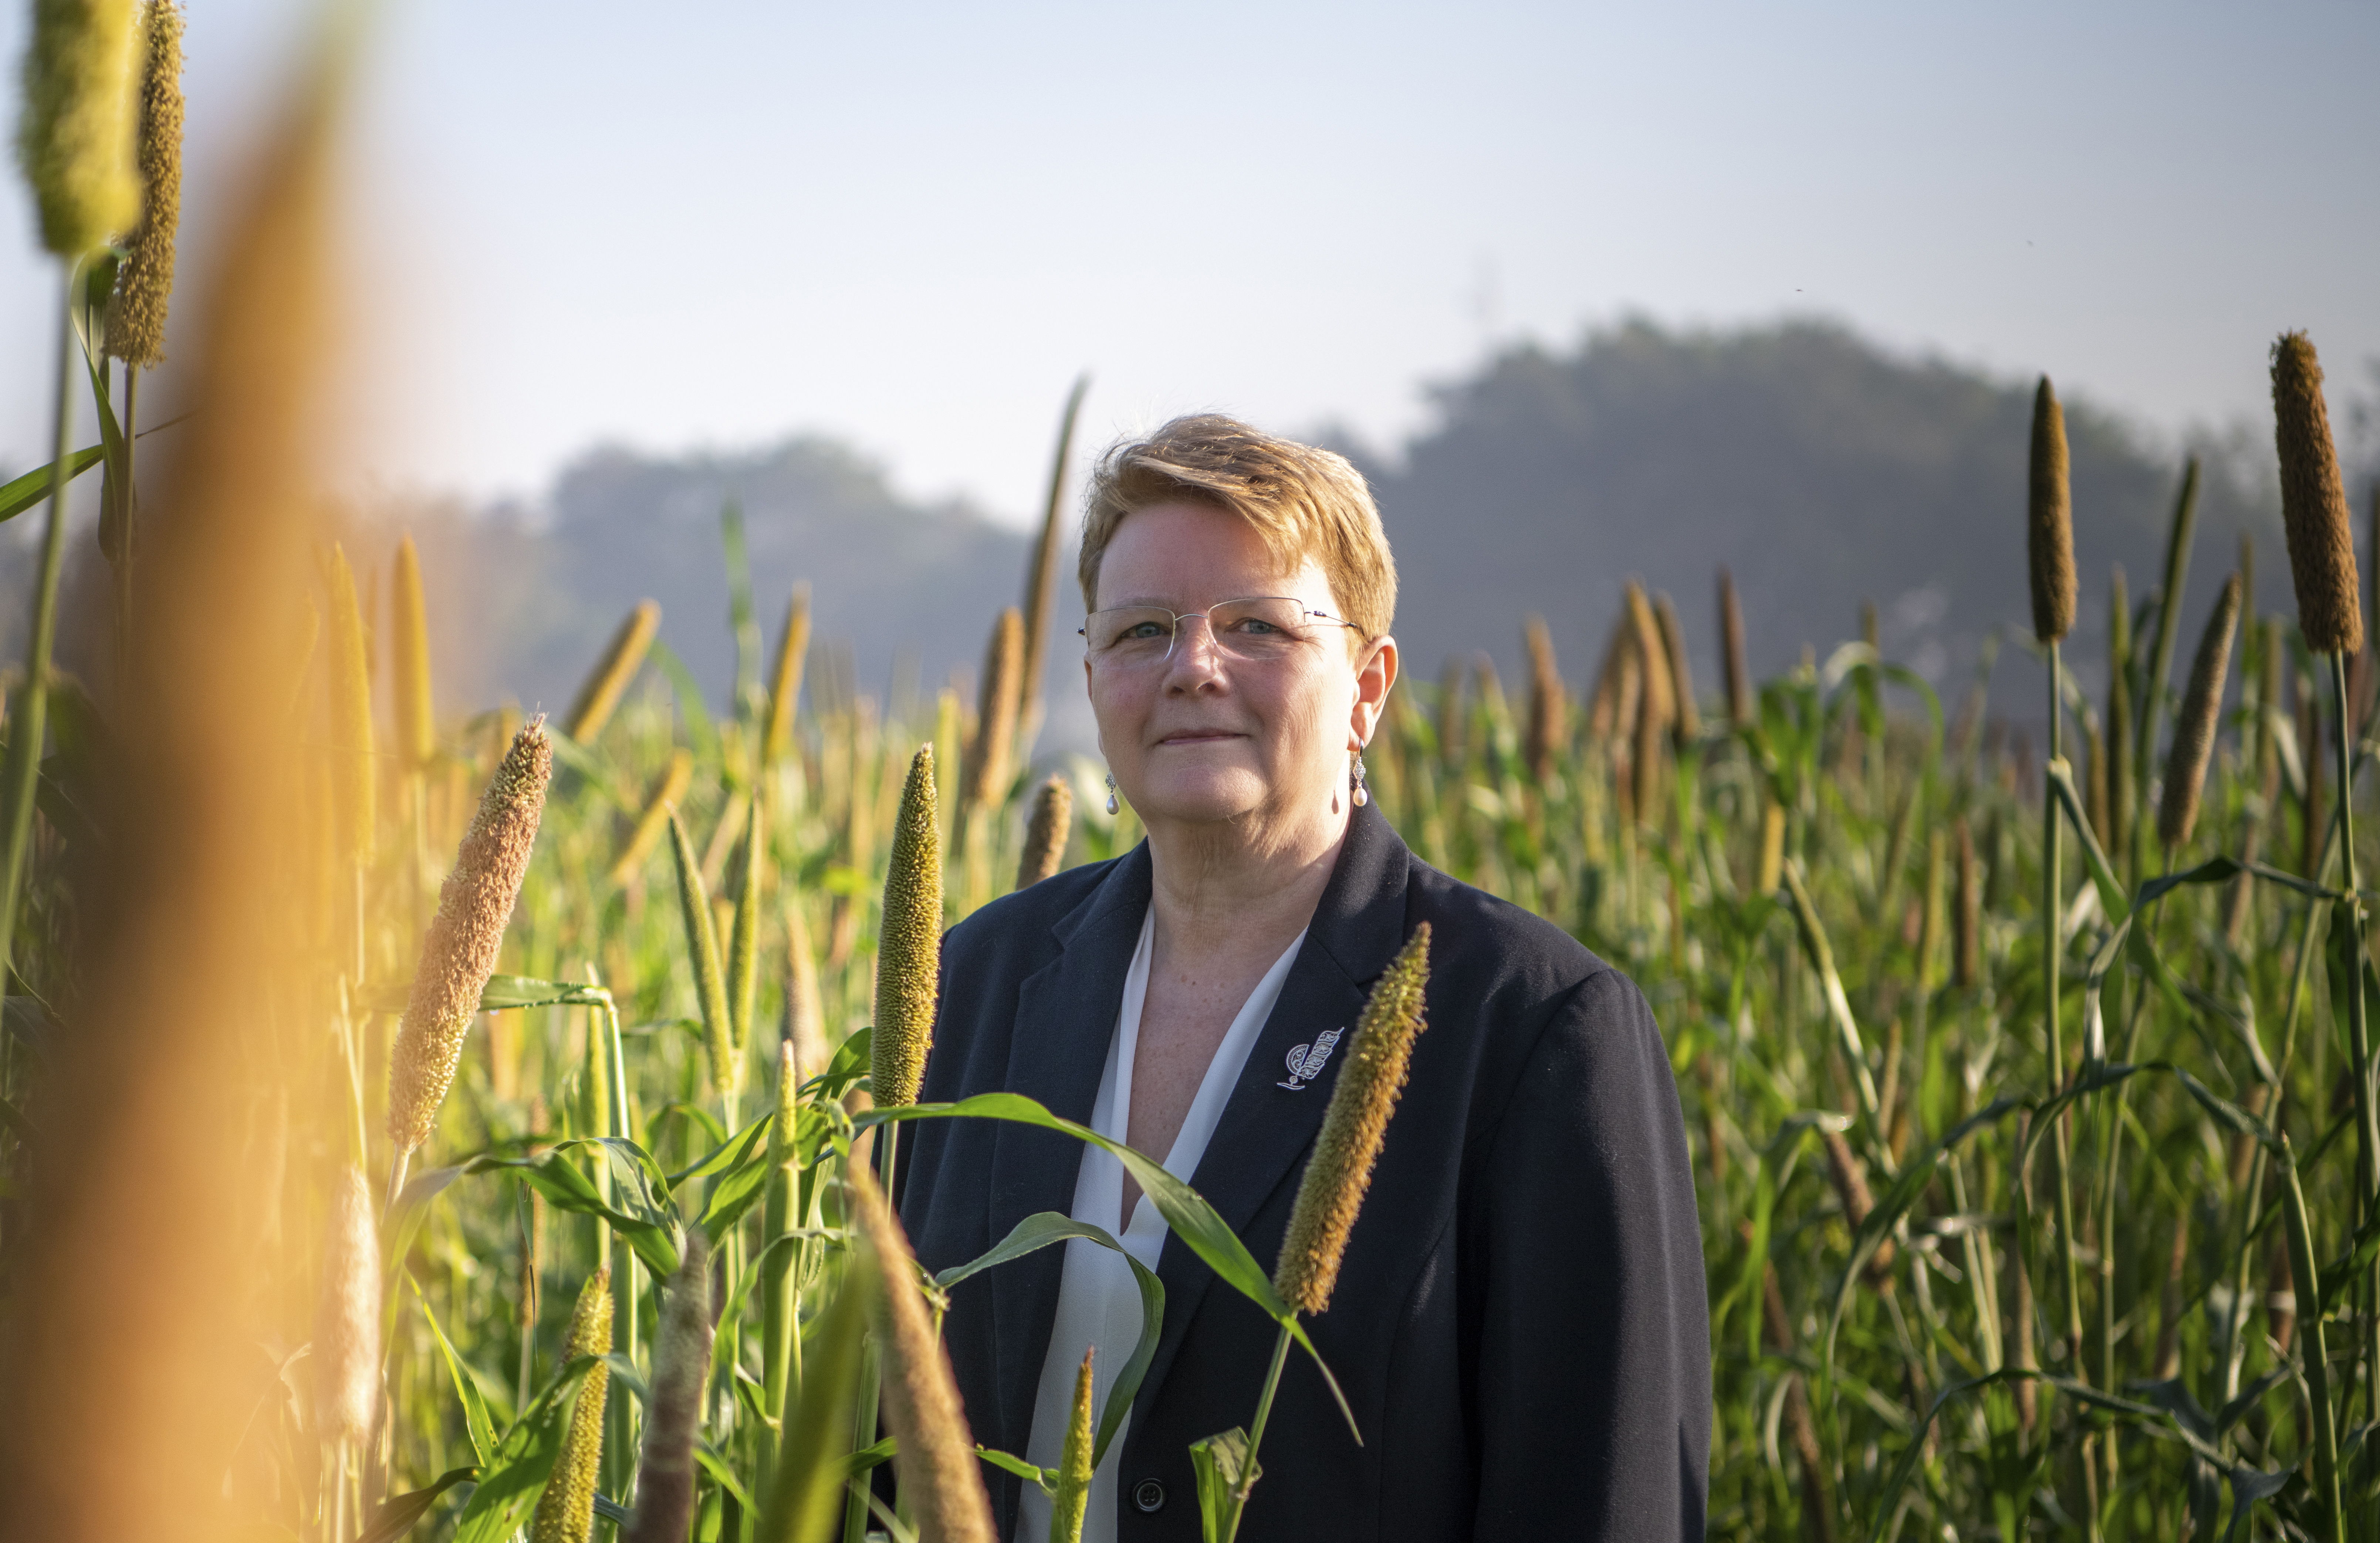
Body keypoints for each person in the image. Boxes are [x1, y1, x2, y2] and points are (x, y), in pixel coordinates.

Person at [896, 414, 1708, 1541]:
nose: (1192, 668)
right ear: (1091, 678)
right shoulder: (975, 979)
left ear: (1366, 686)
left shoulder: (1525, 1027)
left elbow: (1601, 1495)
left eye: (1256, 627)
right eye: (1142, 631)